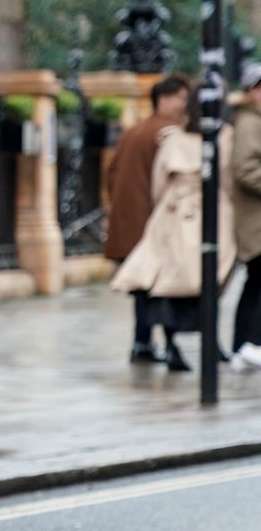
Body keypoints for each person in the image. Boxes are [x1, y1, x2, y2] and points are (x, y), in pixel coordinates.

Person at [111, 85, 236, 372]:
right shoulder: (224, 137)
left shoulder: (172, 137)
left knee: (167, 281)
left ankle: (169, 344)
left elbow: (158, 182)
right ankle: (203, 343)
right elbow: (227, 178)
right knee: (205, 280)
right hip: (208, 214)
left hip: (174, 213)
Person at [105, 75, 192, 362]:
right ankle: (167, 345)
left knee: (143, 288)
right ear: (163, 99)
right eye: (181, 98)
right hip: (154, 222)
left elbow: (111, 172)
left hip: (129, 221)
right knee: (160, 286)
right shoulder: (168, 132)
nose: (184, 104)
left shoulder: (134, 130)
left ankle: (143, 342)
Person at [227, 62, 261, 370]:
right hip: (255, 221)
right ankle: (249, 344)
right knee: (257, 284)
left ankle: (245, 345)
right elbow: (245, 169)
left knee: (255, 284)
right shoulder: (250, 122)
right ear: (250, 91)